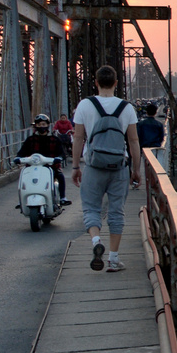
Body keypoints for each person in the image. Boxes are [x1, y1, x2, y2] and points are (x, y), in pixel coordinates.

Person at [71, 66, 142, 273]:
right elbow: (134, 141)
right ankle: (113, 259)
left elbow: (77, 138)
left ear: (96, 82)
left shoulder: (85, 105)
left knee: (91, 208)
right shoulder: (126, 108)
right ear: (116, 83)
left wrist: (76, 166)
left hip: (93, 165)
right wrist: (136, 170)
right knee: (116, 211)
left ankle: (95, 242)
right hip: (119, 167)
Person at [16, 113, 71, 205]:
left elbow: (62, 153)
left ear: (48, 125)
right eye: (39, 124)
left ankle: (62, 198)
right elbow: (22, 151)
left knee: (60, 176)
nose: (42, 126)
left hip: (50, 166)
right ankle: (22, 200)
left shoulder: (54, 139)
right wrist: (18, 158)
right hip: (32, 167)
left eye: (44, 124)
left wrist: (59, 158)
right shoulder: (30, 139)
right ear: (36, 126)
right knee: (23, 178)